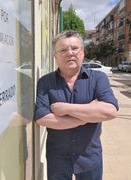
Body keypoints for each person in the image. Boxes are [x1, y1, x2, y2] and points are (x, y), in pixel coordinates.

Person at [34, 30, 119, 180]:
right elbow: (42, 118)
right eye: (63, 50)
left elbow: (110, 111)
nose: (70, 53)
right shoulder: (45, 82)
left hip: (90, 157)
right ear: (55, 56)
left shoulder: (98, 78)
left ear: (82, 52)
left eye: (74, 48)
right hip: (57, 159)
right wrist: (89, 114)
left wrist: (65, 108)